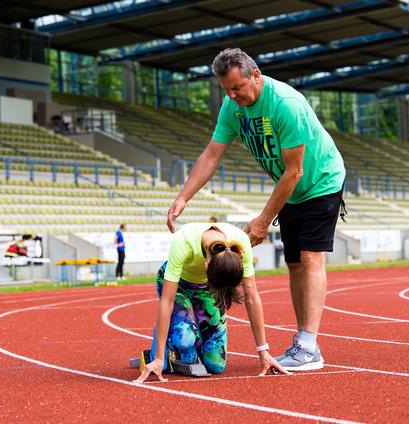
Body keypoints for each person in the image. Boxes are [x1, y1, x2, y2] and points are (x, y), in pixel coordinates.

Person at [166, 48, 345, 372]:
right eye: (227, 90)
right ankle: (306, 343)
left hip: (321, 181)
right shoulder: (232, 107)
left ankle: (307, 345)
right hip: (289, 190)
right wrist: (183, 198)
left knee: (310, 258)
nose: (233, 96)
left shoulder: (285, 105)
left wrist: (263, 221)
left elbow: (295, 171)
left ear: (256, 75)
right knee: (293, 264)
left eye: (237, 88)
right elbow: (212, 154)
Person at [134, 222, 288, 383]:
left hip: (207, 288)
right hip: (178, 284)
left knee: (216, 365)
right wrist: (158, 358)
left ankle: (185, 340)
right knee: (184, 339)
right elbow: (167, 301)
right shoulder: (184, 240)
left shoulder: (240, 244)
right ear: (205, 266)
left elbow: (251, 297)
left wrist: (264, 352)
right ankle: (168, 342)